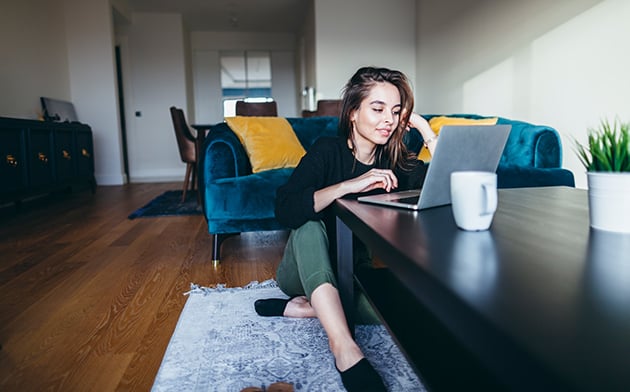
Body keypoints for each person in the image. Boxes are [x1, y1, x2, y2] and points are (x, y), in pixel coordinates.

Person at [254, 66, 439, 391]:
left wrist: (425, 129)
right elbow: (285, 208)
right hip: (301, 269)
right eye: (378, 109)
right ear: (353, 112)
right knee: (308, 223)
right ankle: (345, 348)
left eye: (396, 112)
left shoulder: (395, 161)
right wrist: (348, 185)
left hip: (353, 272)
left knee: (405, 309)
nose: (389, 120)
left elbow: (444, 185)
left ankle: (309, 310)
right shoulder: (327, 150)